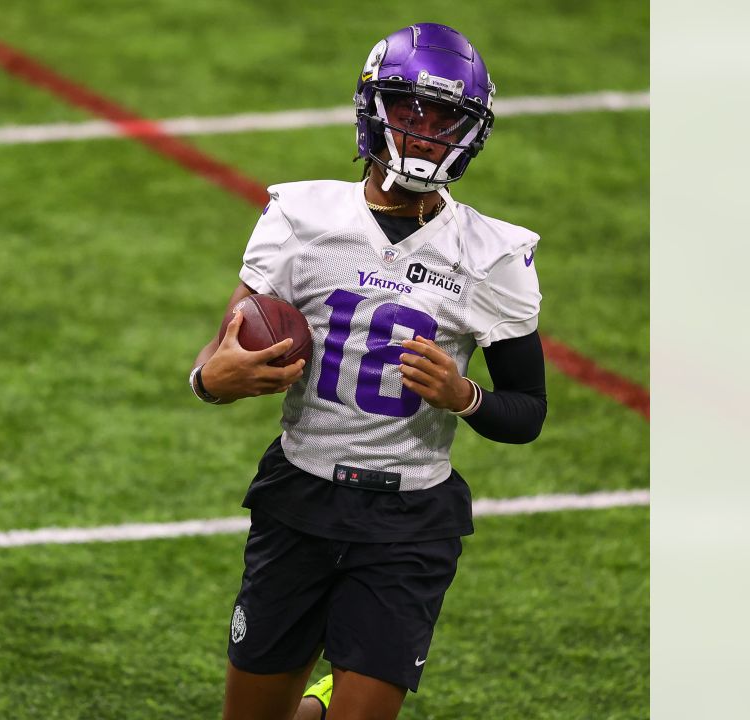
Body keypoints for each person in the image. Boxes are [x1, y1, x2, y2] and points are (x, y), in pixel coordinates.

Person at [187, 23, 548, 720]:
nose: (426, 132)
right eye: (410, 110)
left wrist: (465, 395)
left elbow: (527, 411)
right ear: (372, 108)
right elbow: (215, 359)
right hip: (299, 499)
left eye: (447, 117)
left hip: (410, 518)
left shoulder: (492, 254)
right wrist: (212, 381)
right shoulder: (299, 217)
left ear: (473, 132)